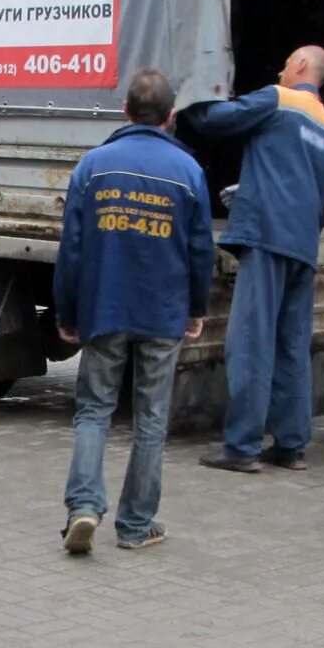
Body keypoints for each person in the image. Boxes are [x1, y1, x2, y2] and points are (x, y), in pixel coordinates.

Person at [54, 69, 215, 555]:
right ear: (170, 118)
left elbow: (72, 249)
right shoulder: (188, 172)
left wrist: (67, 311)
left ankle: (83, 507)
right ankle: (136, 525)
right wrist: (195, 308)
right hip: (162, 312)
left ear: (125, 110)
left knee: (94, 410)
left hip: (104, 308)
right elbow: (200, 250)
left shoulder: (94, 166)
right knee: (150, 418)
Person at [180, 46, 324, 474]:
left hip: (268, 234)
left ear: (302, 66)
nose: (280, 68)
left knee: (250, 341)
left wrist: (187, 96)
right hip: (304, 243)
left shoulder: (279, 98)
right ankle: (290, 444)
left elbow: (216, 121)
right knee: (291, 345)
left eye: (286, 62)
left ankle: (242, 446)